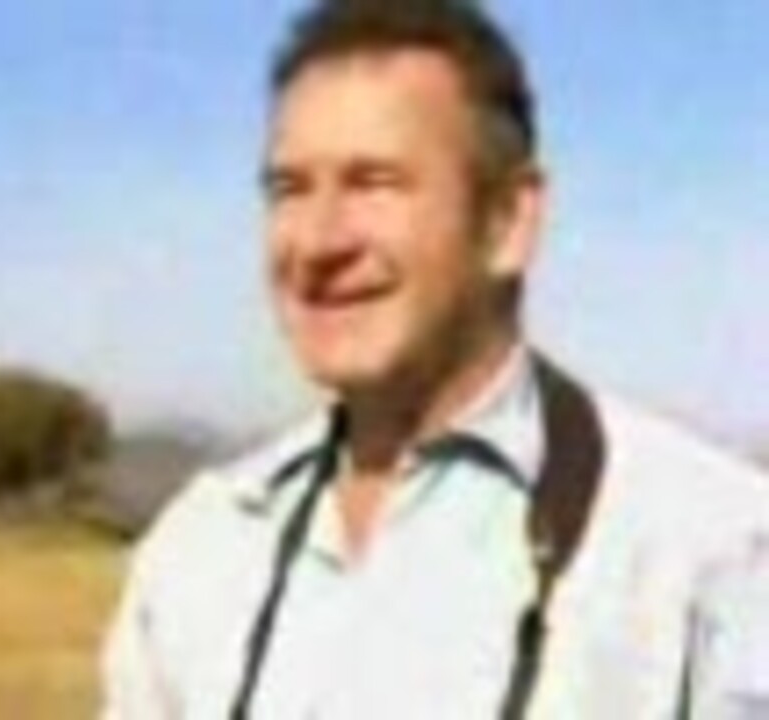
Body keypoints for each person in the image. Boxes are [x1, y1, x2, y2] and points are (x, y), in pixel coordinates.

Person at [101, 0, 769, 717]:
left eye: (374, 183)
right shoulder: (202, 550)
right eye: (289, 189)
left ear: (509, 219)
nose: (318, 243)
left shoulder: (705, 555)